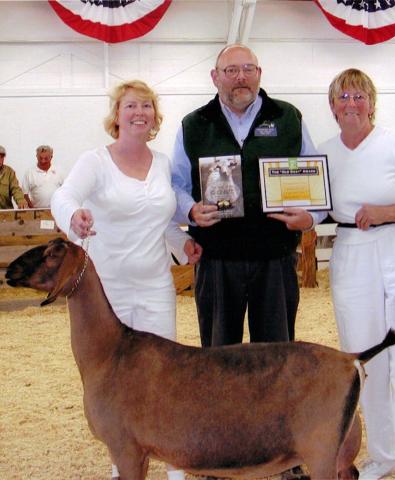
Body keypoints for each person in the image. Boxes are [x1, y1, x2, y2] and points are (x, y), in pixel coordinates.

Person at [51, 80, 201, 480]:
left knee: (165, 378)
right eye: (131, 105)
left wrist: (181, 243)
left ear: (155, 117)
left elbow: (159, 216)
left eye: (147, 106)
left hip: (155, 286)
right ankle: (124, 466)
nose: (140, 112)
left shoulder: (164, 162)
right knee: (115, 383)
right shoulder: (94, 162)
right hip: (107, 291)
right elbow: (62, 198)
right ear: (116, 115)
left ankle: (176, 468)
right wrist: (73, 218)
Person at [316, 68, 395, 480]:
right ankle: (384, 454)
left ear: (372, 103)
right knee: (366, 360)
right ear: (332, 106)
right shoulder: (323, 153)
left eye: (359, 96)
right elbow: (314, 208)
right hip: (353, 253)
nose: (351, 104)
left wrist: (384, 212)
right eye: (342, 97)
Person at [172, 43, 318, 349]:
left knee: (275, 356)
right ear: (215, 77)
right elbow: (176, 184)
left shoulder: (288, 117)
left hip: (275, 257)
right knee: (218, 356)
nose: (241, 77)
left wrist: (310, 218)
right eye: (232, 70)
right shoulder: (194, 124)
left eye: (248, 69)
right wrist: (190, 210)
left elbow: (312, 178)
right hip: (217, 259)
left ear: (259, 74)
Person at [0, 145, 28, 209]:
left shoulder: (9, 171)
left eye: (1, 157)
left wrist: (21, 200)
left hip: (6, 212)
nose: (0, 160)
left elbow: (15, 189)